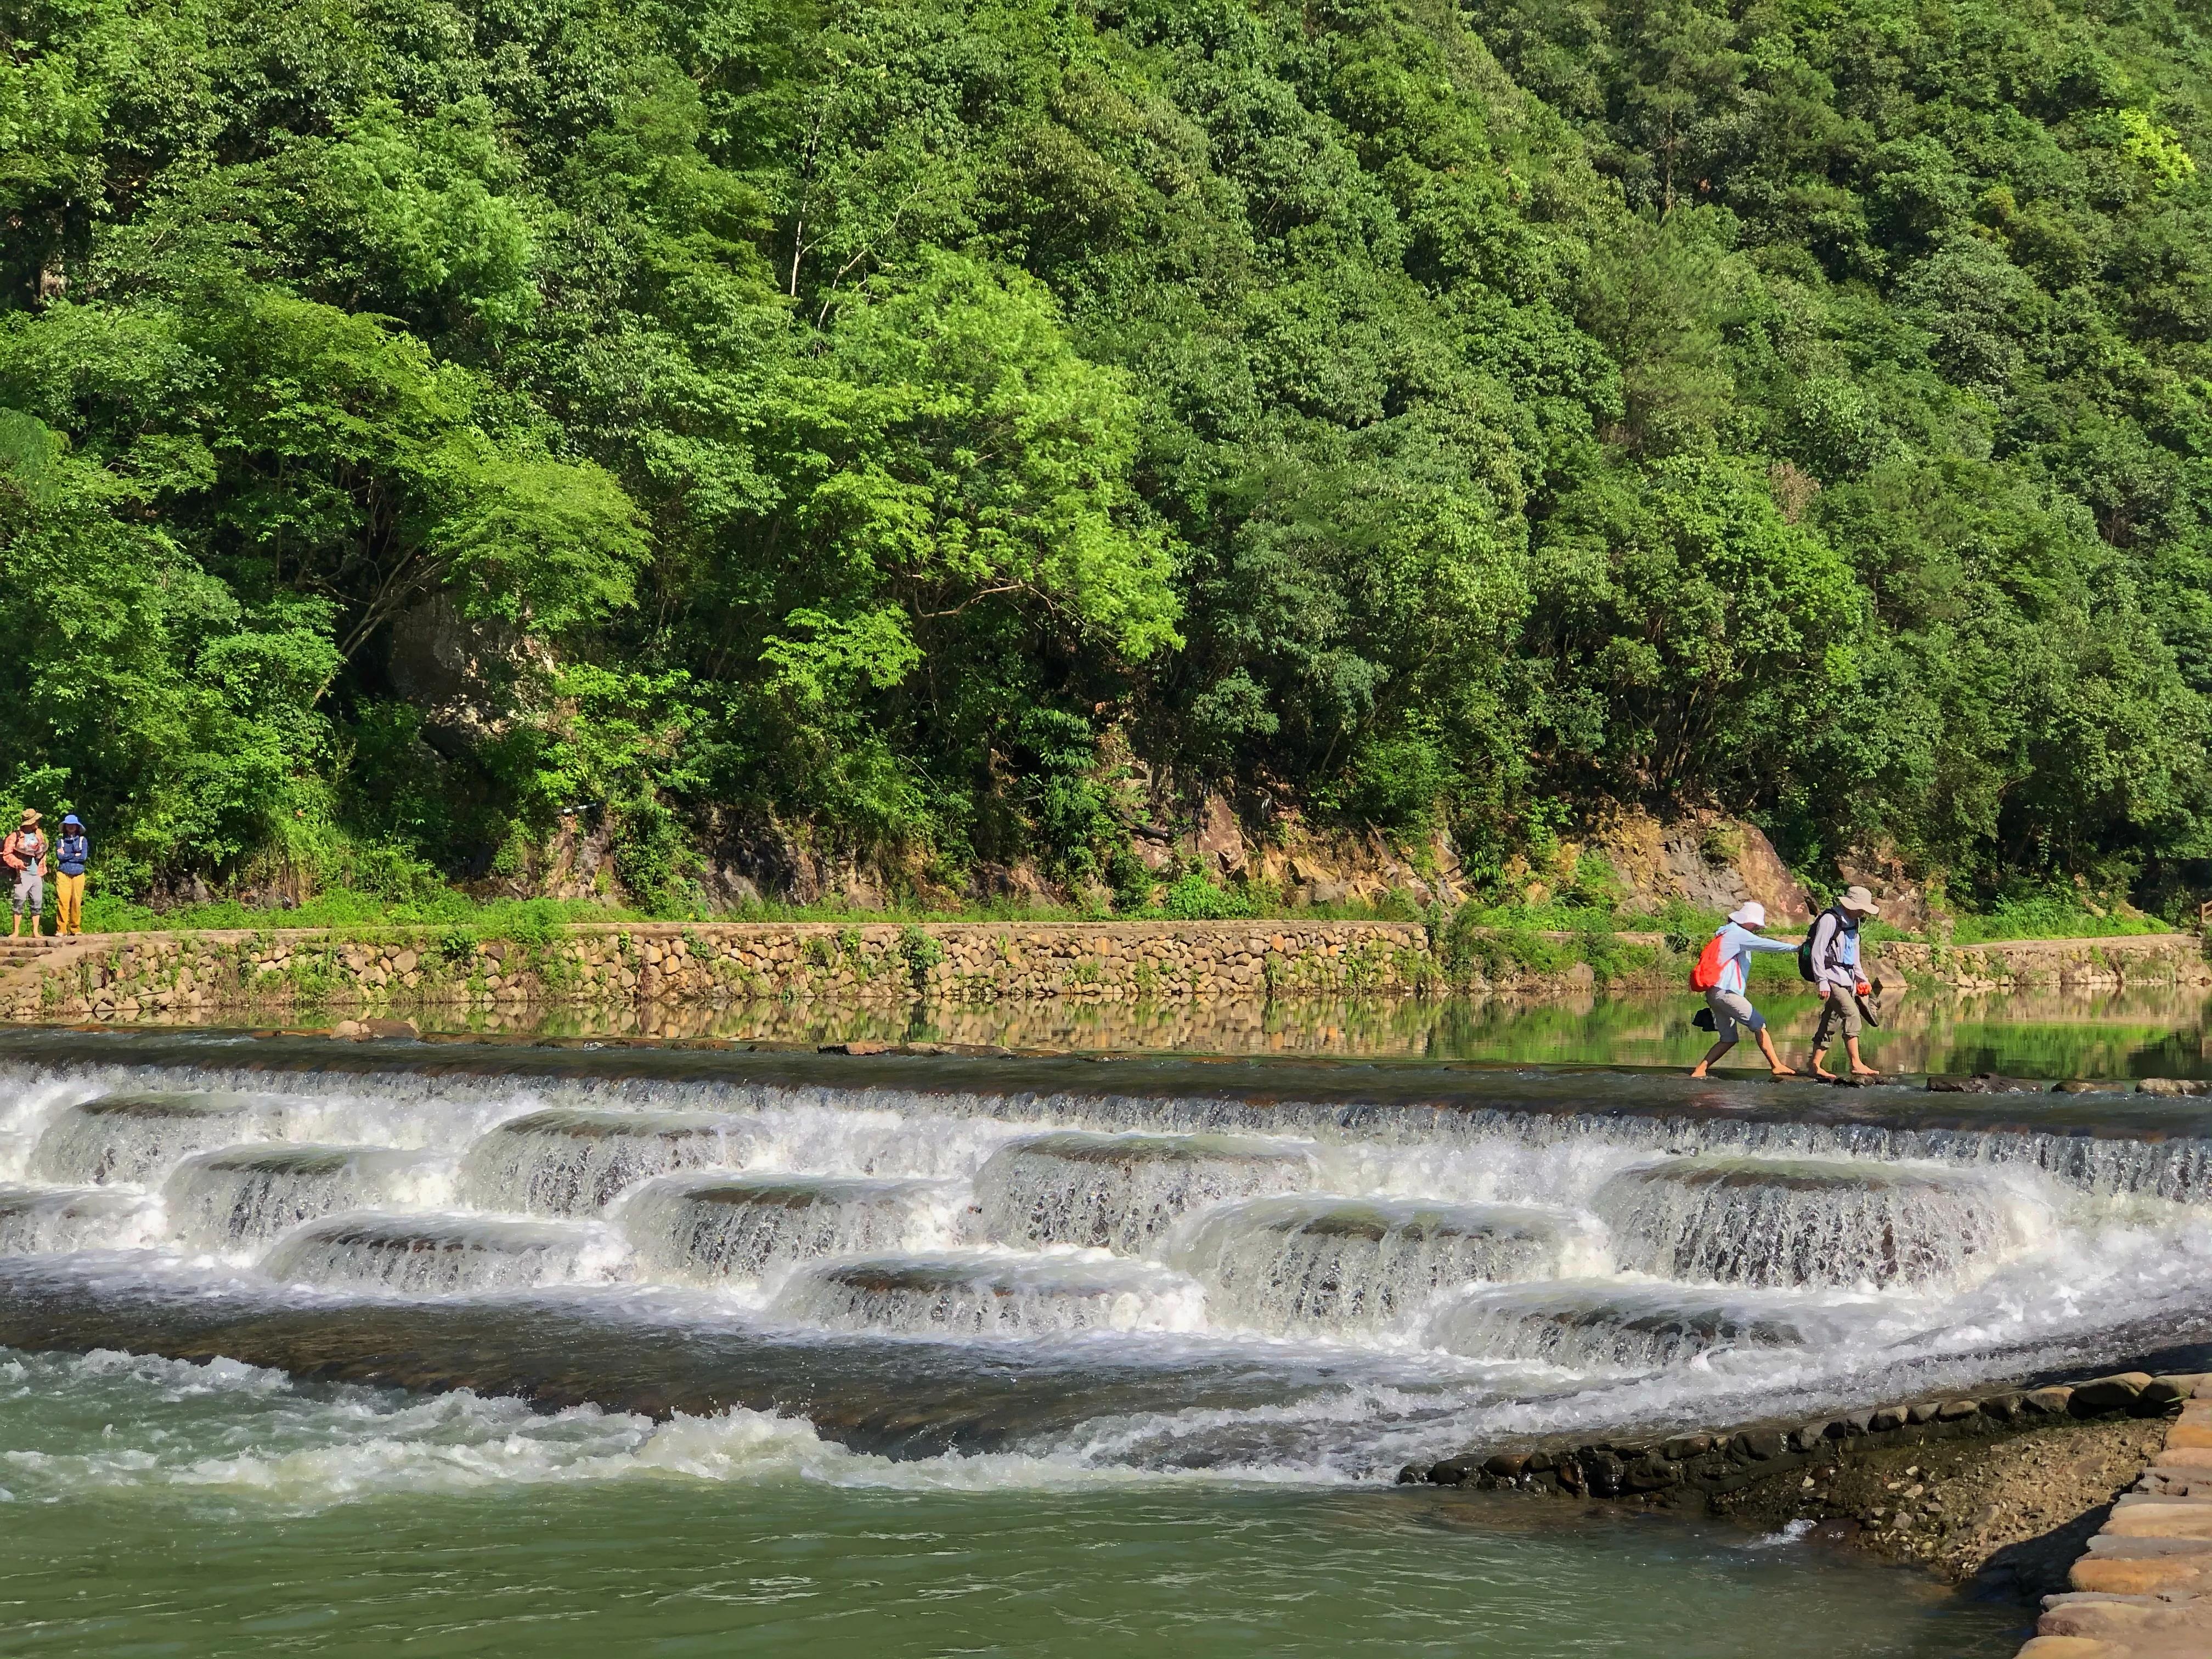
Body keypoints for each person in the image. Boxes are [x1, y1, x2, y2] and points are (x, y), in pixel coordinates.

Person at [1689, 901, 1803, 1079]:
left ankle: (1700, 1070)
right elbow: (1765, 944)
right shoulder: (1738, 934)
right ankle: (1776, 1066)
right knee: (1759, 1024)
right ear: (1747, 921)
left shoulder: (1726, 933)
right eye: (1756, 923)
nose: (1757, 927)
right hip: (1726, 993)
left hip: (1715, 993)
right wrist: (1796, 948)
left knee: (1729, 1038)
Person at [1807, 884, 1881, 1079]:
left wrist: (1861, 978)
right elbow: (1817, 950)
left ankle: (1814, 1065)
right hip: (1830, 977)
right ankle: (1856, 1064)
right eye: (1862, 908)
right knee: (1852, 1014)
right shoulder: (1830, 920)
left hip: (1846, 978)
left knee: (1831, 1020)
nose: (1864, 912)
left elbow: (1853, 953)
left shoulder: (1854, 922)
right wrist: (1821, 980)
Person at [3, 809, 47, 941]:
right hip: (22, 874)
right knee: (19, 899)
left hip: (37, 873)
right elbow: (7, 854)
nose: (37, 823)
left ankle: (35, 931)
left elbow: (43, 849)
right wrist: (18, 863)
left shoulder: (39, 834)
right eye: (35, 821)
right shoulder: (15, 836)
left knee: (37, 901)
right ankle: (16, 931)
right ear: (30, 823)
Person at [54, 813, 88, 938]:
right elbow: (60, 857)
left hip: (79, 874)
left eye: (74, 825)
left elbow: (83, 857)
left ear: (77, 827)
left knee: (76, 902)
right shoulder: (60, 841)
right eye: (69, 825)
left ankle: (75, 928)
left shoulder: (83, 841)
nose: (71, 827)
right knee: (63, 901)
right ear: (65, 827)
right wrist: (75, 855)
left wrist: (68, 856)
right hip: (63, 873)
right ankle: (61, 929)